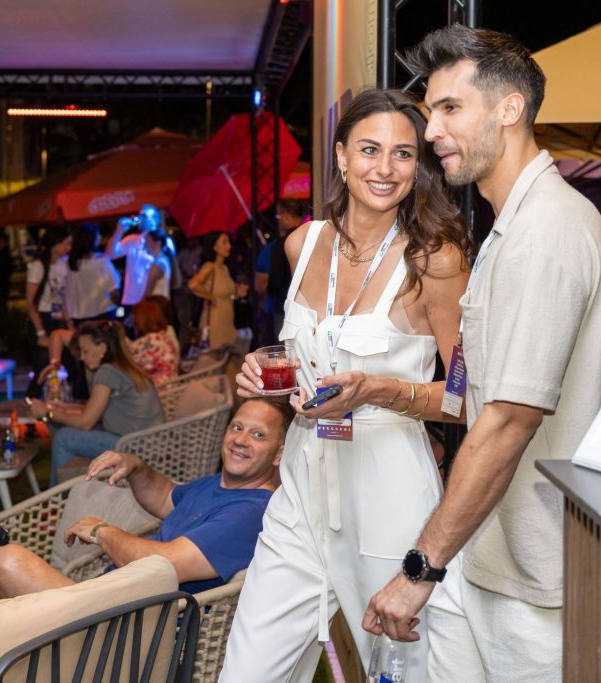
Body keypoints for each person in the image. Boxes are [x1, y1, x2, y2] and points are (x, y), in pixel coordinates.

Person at [363, 26, 601, 682]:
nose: (431, 131)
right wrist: (377, 388)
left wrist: (419, 568)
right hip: (485, 553)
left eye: (450, 108)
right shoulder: (508, 228)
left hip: (539, 580)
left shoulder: (546, 232)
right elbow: (472, 394)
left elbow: (509, 420)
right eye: (431, 111)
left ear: (509, 109)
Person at [220, 88, 471, 681]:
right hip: (301, 489)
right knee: (246, 671)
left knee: (404, 671)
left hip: (389, 494)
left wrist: (381, 390)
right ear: (340, 155)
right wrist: (262, 374)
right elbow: (304, 360)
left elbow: (468, 394)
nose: (385, 168)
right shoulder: (302, 244)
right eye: (369, 150)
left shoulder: (436, 260)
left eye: (403, 154)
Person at [0, 397, 293, 622]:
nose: (241, 440)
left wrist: (101, 531)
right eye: (237, 428)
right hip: (108, 598)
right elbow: (167, 498)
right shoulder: (218, 486)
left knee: (3, 562)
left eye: (258, 435)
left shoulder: (251, 512)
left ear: (279, 454)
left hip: (133, 627)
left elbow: (166, 565)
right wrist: (136, 467)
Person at [30, 321, 165, 486]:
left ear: (101, 348)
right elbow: (94, 408)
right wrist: (64, 408)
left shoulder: (107, 372)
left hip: (134, 446)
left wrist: (47, 413)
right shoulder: (121, 366)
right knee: (65, 430)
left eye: (85, 351)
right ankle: (72, 488)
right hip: (149, 442)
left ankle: (59, 496)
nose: (81, 357)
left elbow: (86, 422)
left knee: (64, 438)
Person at [25, 225, 74, 398]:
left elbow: (62, 297)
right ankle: (31, 403)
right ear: (56, 243)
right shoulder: (38, 267)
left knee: (72, 364)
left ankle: (73, 400)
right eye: (66, 243)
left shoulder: (62, 265)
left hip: (58, 319)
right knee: (42, 368)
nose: (69, 247)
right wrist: (40, 333)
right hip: (42, 319)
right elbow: (30, 303)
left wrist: (69, 323)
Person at [256, 199, 309, 343]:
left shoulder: (281, 244)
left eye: (278, 215)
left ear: (285, 215)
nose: (278, 220)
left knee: (286, 350)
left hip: (284, 308)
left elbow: (272, 282)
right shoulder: (311, 239)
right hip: (310, 308)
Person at [188, 231, 249, 350]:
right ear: (214, 247)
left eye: (229, 242)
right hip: (214, 322)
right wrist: (210, 296)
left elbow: (227, 296)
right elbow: (193, 285)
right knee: (215, 356)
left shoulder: (225, 268)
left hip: (228, 321)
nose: (229, 246)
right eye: (224, 242)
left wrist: (237, 295)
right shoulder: (209, 266)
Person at [66, 222, 121, 325]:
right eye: (98, 235)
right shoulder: (101, 262)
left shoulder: (69, 263)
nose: (100, 238)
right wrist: (120, 310)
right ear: (92, 240)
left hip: (78, 316)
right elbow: (114, 291)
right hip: (103, 313)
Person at [130, 296, 181, 385]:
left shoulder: (143, 344)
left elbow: (130, 368)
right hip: (173, 385)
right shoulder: (165, 337)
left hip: (158, 390)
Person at [107, 215, 155, 308]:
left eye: (144, 215)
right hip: (132, 300)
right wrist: (119, 231)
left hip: (152, 299)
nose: (140, 218)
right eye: (140, 215)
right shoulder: (133, 240)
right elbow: (110, 254)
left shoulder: (161, 242)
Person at [144, 228, 175, 300]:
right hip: (161, 302)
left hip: (155, 302)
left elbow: (148, 289)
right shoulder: (164, 260)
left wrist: (140, 302)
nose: (145, 245)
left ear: (158, 243)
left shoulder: (159, 263)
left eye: (148, 241)